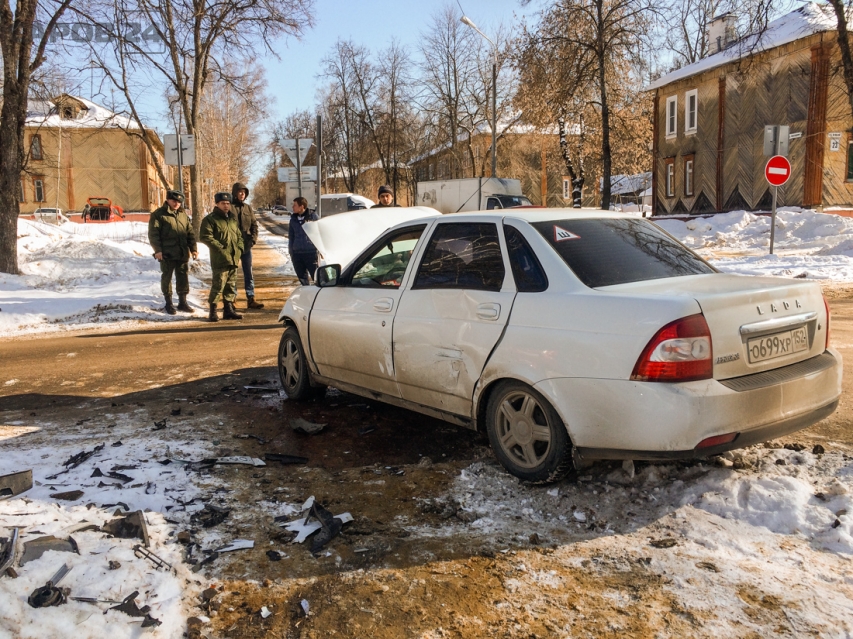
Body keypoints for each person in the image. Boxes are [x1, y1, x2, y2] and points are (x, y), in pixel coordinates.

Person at [148, 189, 198, 315]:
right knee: (167, 277)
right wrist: (158, 250)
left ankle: (182, 302)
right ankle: (169, 303)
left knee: (182, 277)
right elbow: (153, 235)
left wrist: (193, 249)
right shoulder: (158, 215)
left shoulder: (183, 215)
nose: (176, 203)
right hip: (167, 254)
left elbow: (190, 233)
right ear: (168, 200)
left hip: (181, 253)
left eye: (179, 201)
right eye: (174, 201)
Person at [200, 192, 244, 322]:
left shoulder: (232, 219)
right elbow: (205, 236)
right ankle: (213, 311)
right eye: (223, 203)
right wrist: (221, 249)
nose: (226, 205)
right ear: (217, 204)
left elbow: (239, 236)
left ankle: (228, 310)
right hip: (220, 259)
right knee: (218, 285)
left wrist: (240, 248)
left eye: (228, 203)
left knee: (231, 285)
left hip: (233, 257)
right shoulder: (210, 219)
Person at [231, 182, 264, 309]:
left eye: (244, 192)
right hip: (232, 246)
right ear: (235, 193)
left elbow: (254, 225)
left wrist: (253, 240)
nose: (242, 194)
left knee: (248, 273)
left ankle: (251, 298)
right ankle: (231, 299)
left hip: (246, 246)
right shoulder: (229, 207)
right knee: (232, 273)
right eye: (240, 191)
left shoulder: (248, 208)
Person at [288, 197, 319, 286]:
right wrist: (291, 252)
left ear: (301, 207)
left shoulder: (313, 217)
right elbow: (291, 237)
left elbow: (319, 233)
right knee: (303, 279)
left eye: (295, 205)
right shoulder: (293, 220)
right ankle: (307, 296)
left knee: (317, 278)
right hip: (297, 254)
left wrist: (319, 250)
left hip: (311, 253)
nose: (293, 207)